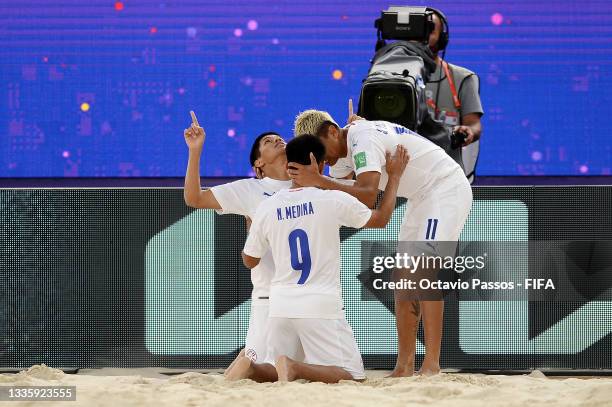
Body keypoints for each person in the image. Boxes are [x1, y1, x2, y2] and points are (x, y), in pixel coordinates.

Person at [291, 110, 473, 377]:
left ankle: (432, 365)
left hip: (445, 188)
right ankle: (404, 366)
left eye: (320, 150)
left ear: (332, 131)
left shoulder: (362, 137)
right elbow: (342, 196)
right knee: (403, 279)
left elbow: (366, 195)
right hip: (420, 197)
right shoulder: (342, 153)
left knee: (424, 272)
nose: (322, 159)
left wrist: (318, 180)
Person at [231, 135, 409, 383]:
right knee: (353, 377)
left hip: (279, 305)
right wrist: (396, 177)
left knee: (272, 369)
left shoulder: (267, 208)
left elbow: (249, 260)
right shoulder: (331, 199)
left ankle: (251, 367)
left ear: (289, 164)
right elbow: (380, 219)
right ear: (318, 163)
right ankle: (295, 368)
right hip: (319, 303)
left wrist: (256, 228)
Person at [183, 111, 291, 381]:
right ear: (258, 163)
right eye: (268, 141)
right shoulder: (251, 189)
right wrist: (195, 151)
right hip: (270, 297)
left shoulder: (309, 184)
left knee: (297, 372)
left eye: (280, 138)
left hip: (304, 300)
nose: (278, 140)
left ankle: (244, 358)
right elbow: (194, 198)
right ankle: (243, 361)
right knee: (263, 373)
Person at [425, 8, 484, 183]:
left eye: (429, 30)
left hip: (448, 178)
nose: (422, 37)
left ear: (442, 39)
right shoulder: (386, 77)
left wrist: (468, 132)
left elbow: (473, 124)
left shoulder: (463, 78)